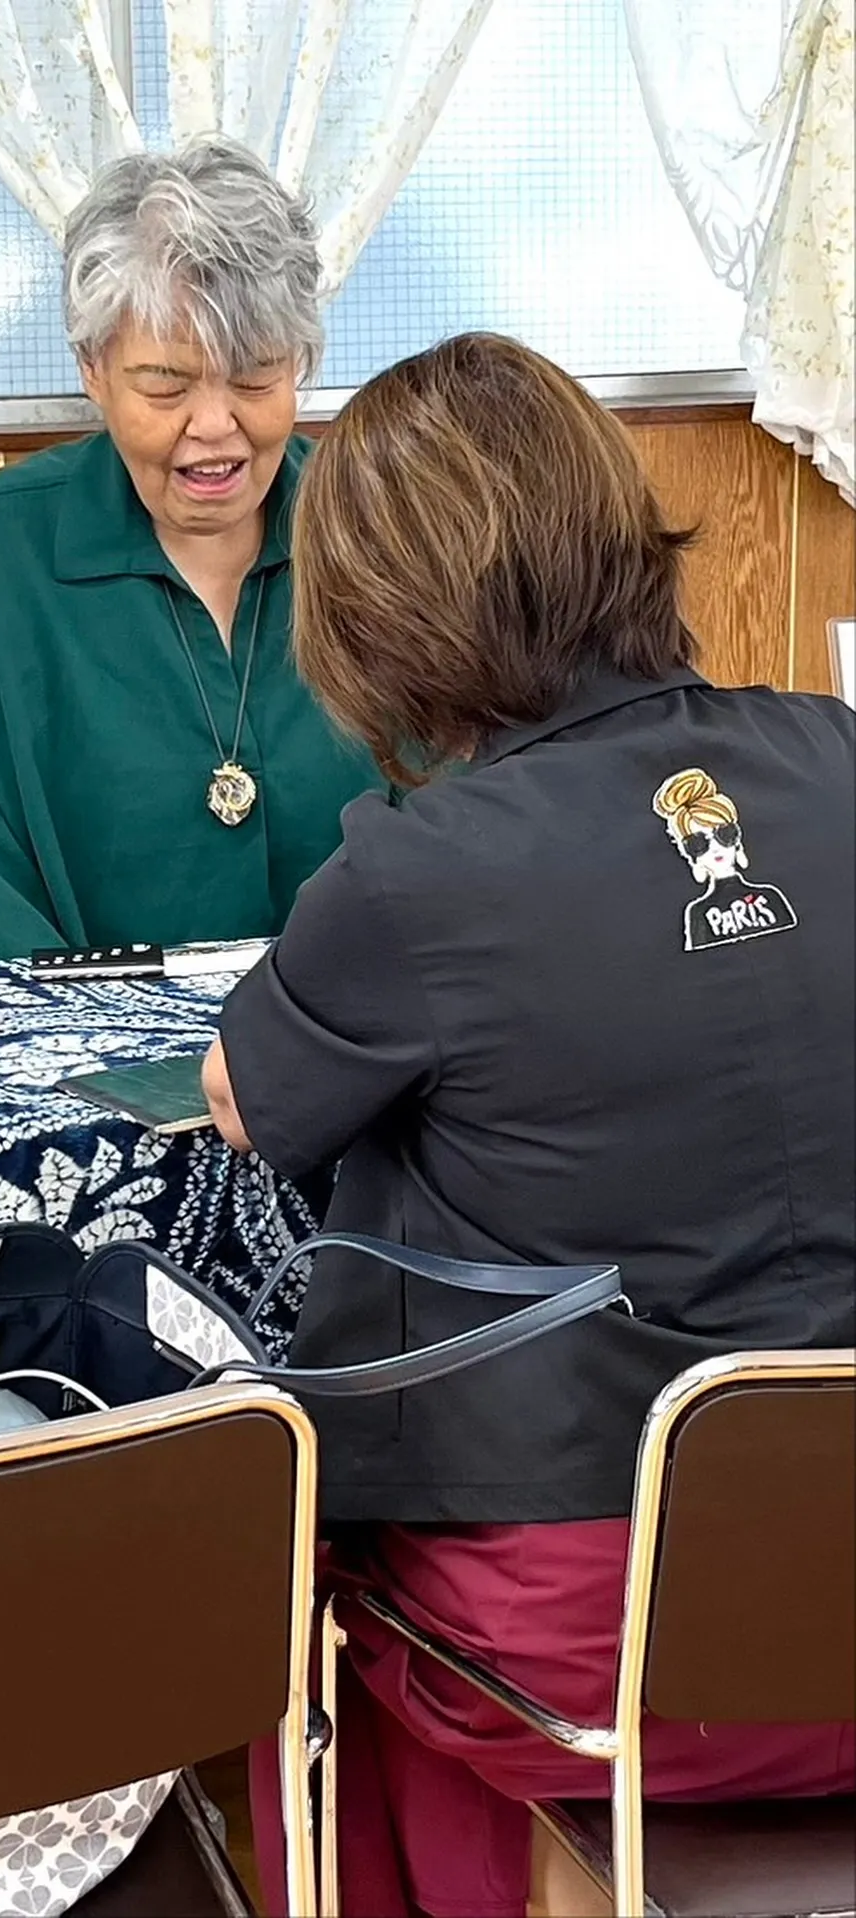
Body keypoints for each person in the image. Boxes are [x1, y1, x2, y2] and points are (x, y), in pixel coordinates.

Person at [201, 334, 856, 1917]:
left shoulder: (418, 876)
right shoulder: (842, 760)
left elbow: (241, 1102)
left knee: (282, 1574)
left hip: (608, 1637)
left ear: (374, 618)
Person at [0, 138, 380, 965]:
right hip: (88, 1066)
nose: (213, 425)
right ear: (93, 369)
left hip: (364, 1052)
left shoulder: (379, 530)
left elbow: (461, 826)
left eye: (256, 376)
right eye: (165, 384)